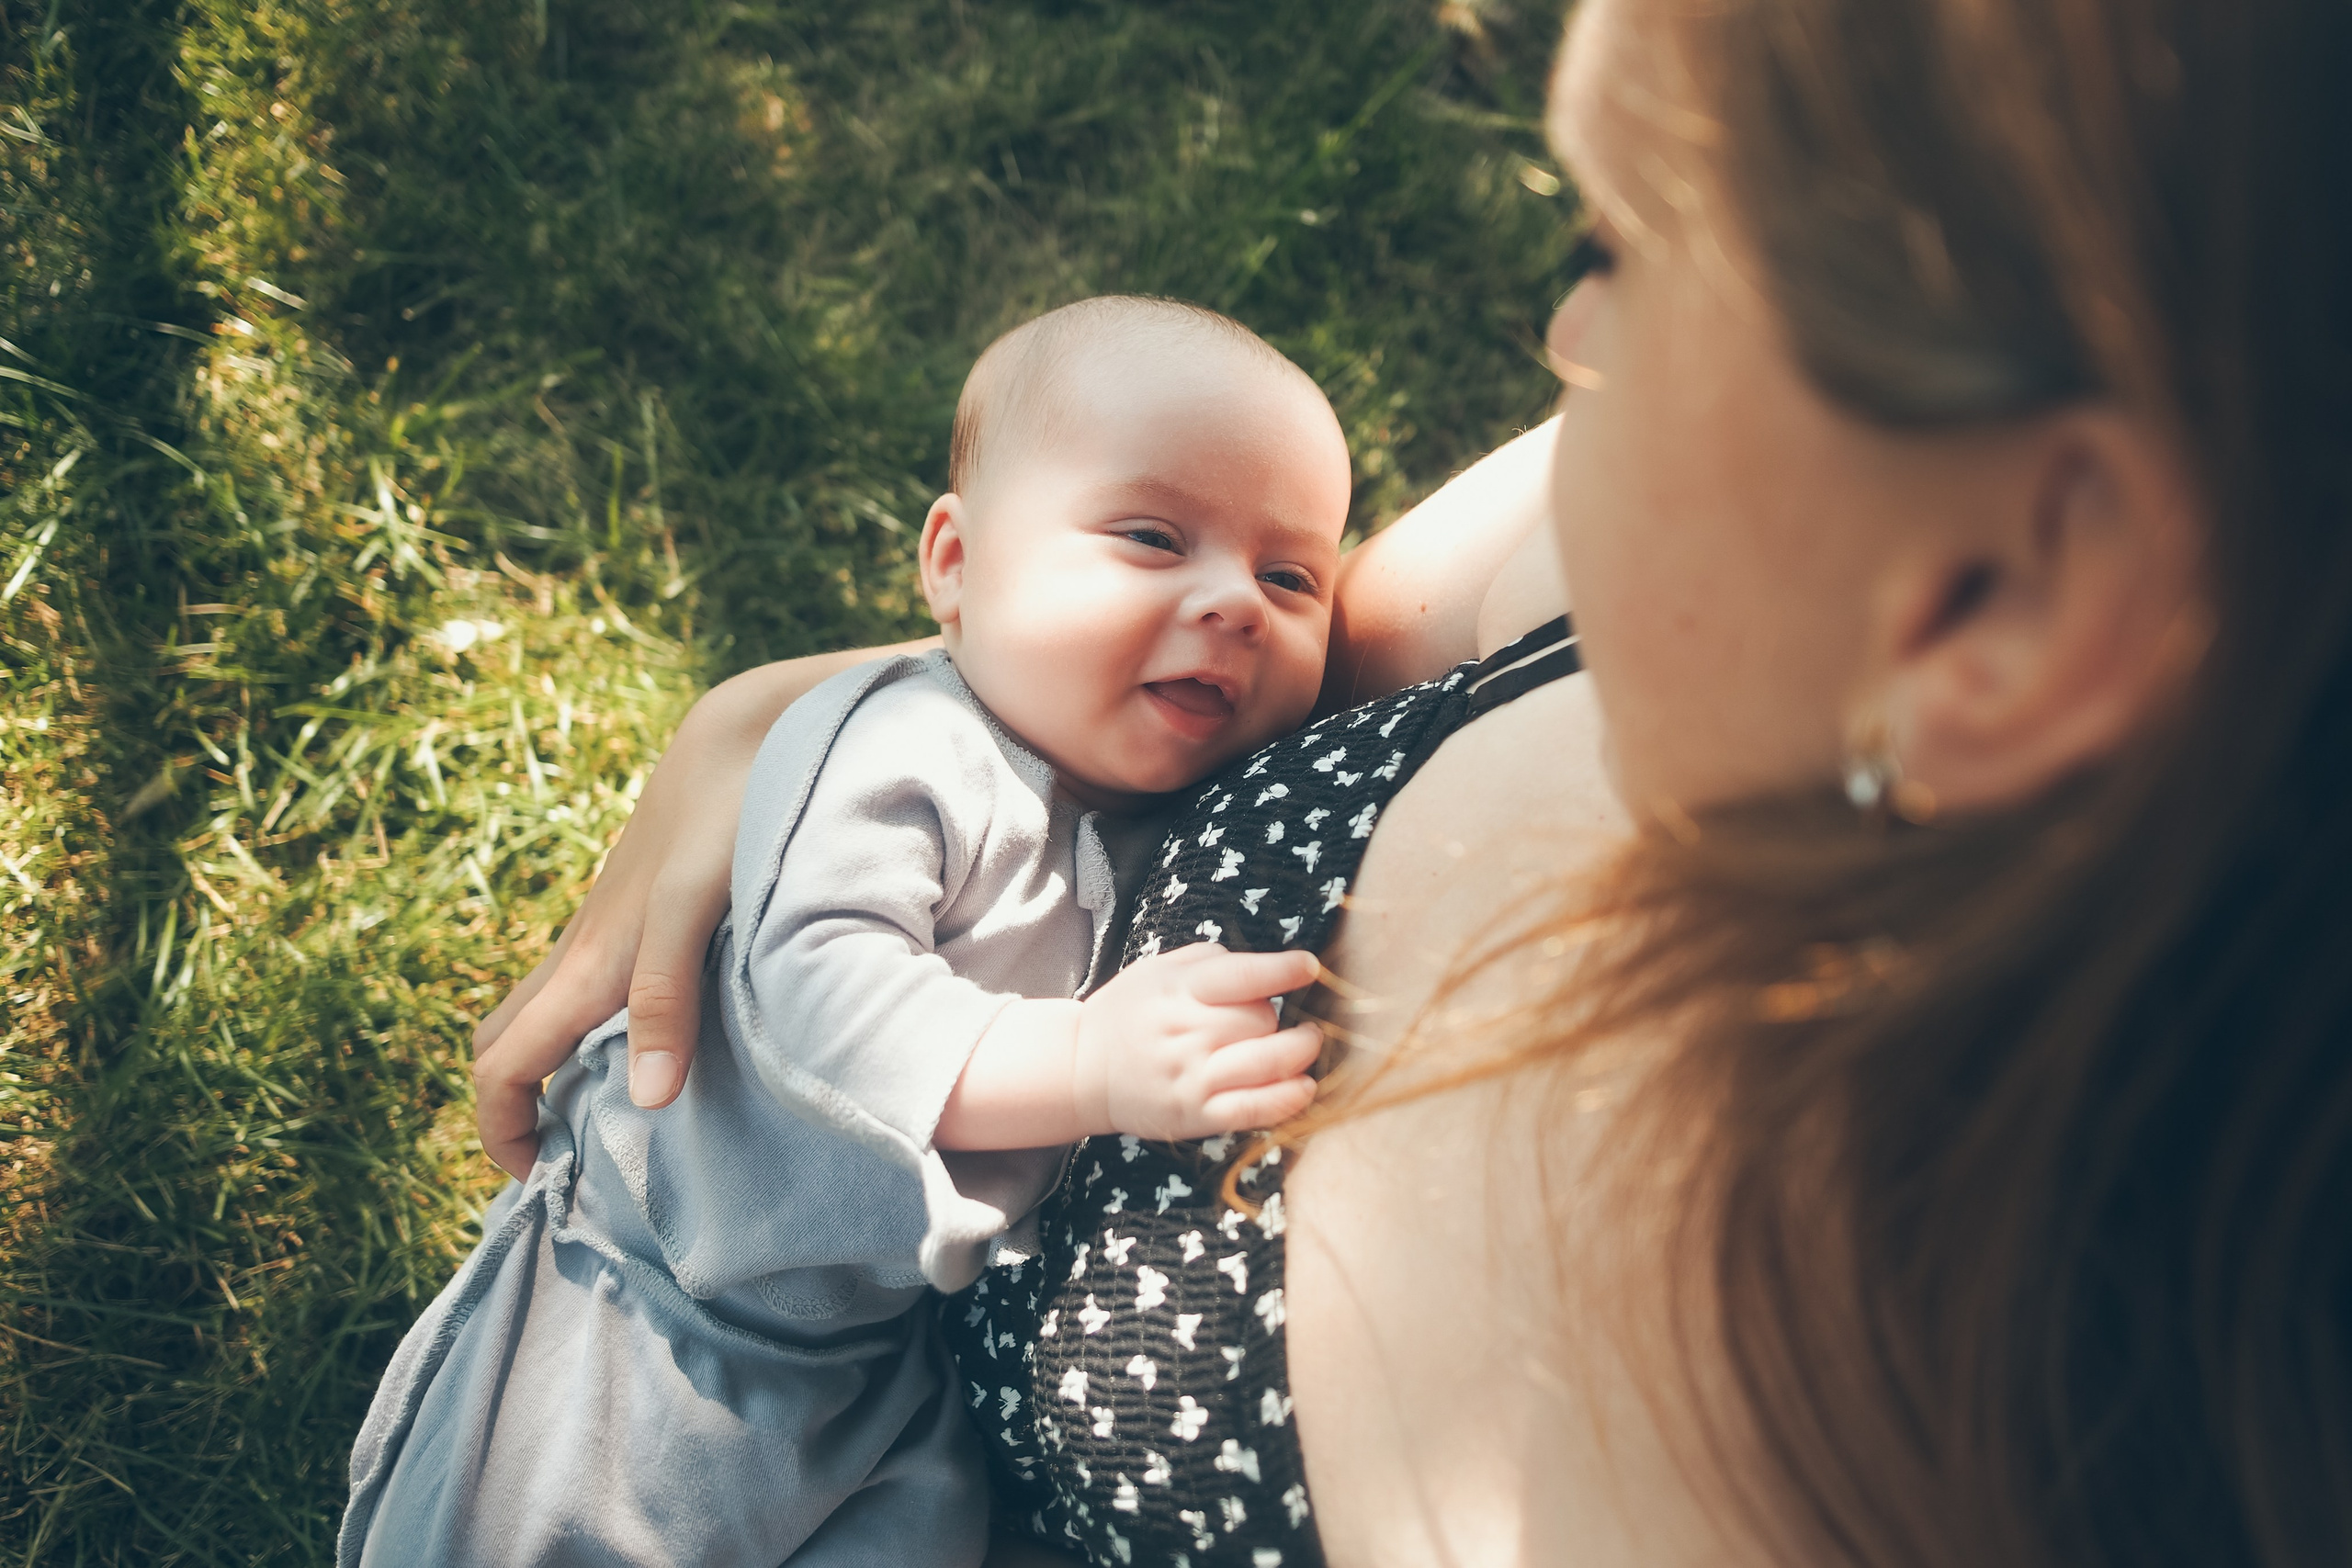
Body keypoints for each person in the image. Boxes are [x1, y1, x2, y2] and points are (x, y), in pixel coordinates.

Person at [471, 0, 2352, 1563]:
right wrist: (818, 721)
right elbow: (1253, 645)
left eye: (1613, 250)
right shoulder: (1709, 616)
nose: (1562, 352)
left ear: (2005, 597)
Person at [341, 296, 1356, 1568]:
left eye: (1290, 576)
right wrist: (1088, 1061)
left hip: (875, 1359)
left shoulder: (1167, 808)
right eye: (1152, 537)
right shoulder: (900, 741)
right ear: (956, 564)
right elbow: (821, 991)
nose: (1236, 603)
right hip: (653, 1308)